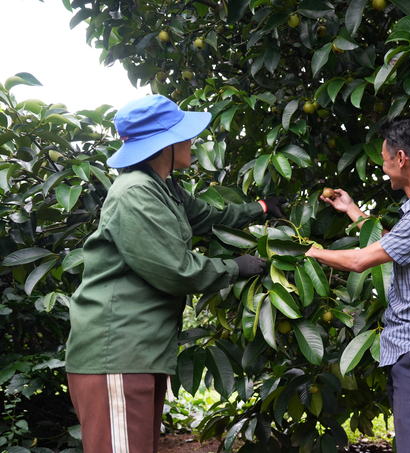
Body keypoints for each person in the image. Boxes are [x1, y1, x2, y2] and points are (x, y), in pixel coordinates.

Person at [65, 95, 285, 453]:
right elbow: (176, 270)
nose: (192, 141)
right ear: (164, 144)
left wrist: (259, 208)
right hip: (116, 351)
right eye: (185, 135)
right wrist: (235, 268)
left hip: (139, 353)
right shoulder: (135, 192)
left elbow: (207, 217)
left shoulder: (162, 187)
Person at [305, 116, 410, 453]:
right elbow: (392, 242)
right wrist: (352, 211)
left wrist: (308, 251)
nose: (384, 167)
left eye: (385, 158)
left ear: (401, 158)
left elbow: (361, 260)